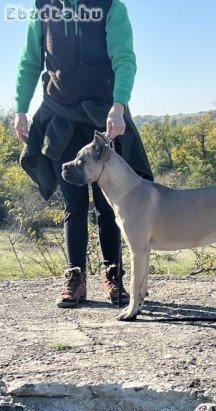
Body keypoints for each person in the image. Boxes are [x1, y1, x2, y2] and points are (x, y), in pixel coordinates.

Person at [14, 0, 153, 308]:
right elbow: (30, 61)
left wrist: (119, 106)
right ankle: (74, 278)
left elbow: (124, 59)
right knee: (73, 206)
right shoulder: (43, 9)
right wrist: (21, 108)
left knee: (108, 206)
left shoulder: (110, 6)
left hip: (102, 119)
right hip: (60, 120)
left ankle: (114, 275)